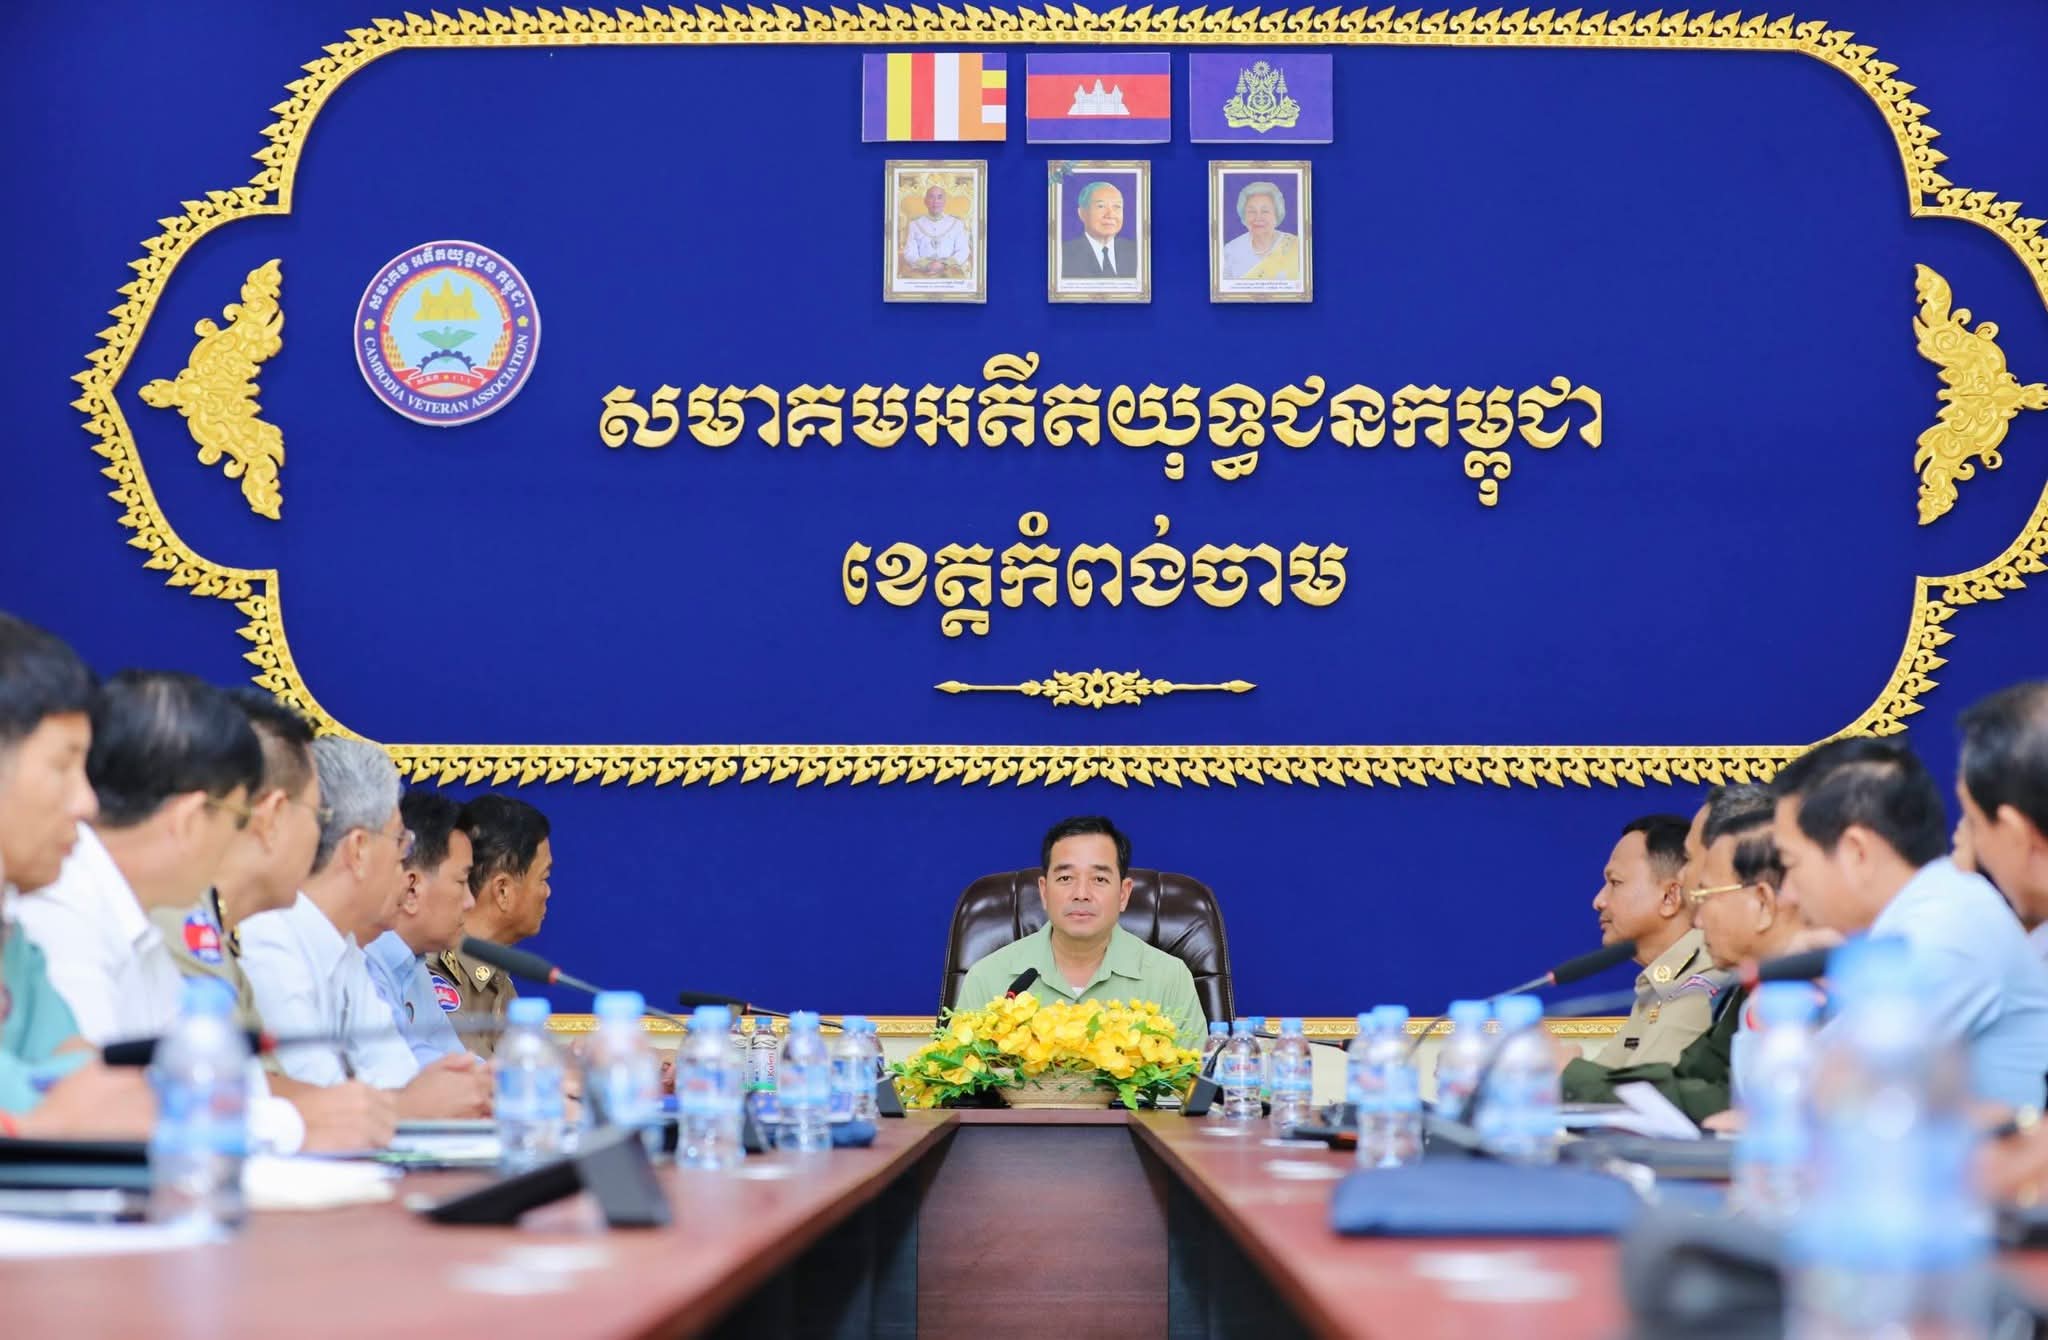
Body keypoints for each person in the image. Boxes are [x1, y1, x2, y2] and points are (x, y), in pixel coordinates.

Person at [149, 690, 397, 1151]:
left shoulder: (224, 925)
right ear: (272, 817)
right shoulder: (184, 919)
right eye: (319, 816)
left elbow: (260, 1083)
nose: (322, 838)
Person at [1772, 736, 2048, 1110]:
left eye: (1790, 865)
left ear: (1856, 852)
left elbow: (1816, 1093)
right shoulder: (1916, 921)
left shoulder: (1950, 926)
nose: (1787, 894)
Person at [238, 738, 490, 1116]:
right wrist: (409, 1106)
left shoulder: (347, 948)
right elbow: (324, 1109)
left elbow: (396, 1072)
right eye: (401, 842)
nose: (405, 864)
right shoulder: (270, 940)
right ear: (358, 850)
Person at [15, 670, 263, 1046]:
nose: (238, 839)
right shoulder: (63, 910)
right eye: (240, 818)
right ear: (190, 819)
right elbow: (92, 1079)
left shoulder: (136, 914)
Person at [0, 613, 154, 1137]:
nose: (86, 803)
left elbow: (87, 1072)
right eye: (62, 767)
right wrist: (44, 1123)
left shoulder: (15, 942)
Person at [1563, 785, 1788, 1118]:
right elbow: (1687, 1081)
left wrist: (1567, 1073)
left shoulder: (1813, 984)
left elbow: (1703, 1100)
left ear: (1763, 901)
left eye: (1704, 890)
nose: (1683, 878)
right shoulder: (1748, 985)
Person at [953, 816, 1206, 1048]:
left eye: (1099, 879)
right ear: (1044, 891)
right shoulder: (988, 978)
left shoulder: (1170, 979)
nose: (1081, 893)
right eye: (1065, 878)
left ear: (1123, 894)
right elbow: (960, 1077)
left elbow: (1196, 1081)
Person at [1579, 813, 1719, 1069]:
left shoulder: (1704, 979)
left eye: (1615, 882)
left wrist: (1562, 1064)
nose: (1599, 901)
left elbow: (1644, 1084)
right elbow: (1603, 1077)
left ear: (1670, 897)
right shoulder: (1658, 985)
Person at [433, 793, 552, 1058]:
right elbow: (473, 1071)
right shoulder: (435, 973)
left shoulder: (495, 977)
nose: (548, 892)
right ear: (502, 891)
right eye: (543, 878)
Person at [363, 789, 473, 1067]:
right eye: (462, 883)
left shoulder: (415, 965)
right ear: (412, 890)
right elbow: (403, 1067)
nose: (470, 902)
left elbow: (452, 1059)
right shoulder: (364, 958)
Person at [1219, 180, 1301, 282]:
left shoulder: (1296, 246)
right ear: (1244, 216)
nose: (1258, 217)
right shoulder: (1231, 250)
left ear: (1277, 214)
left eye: (1265, 211)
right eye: (1252, 211)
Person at [1060, 180, 1130, 278]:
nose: (1110, 214)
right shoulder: (1062, 255)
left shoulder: (1136, 251)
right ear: (1082, 213)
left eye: (1117, 206)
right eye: (1101, 206)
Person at [900, 184, 970, 278]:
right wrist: (927, 265)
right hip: (921, 272)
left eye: (939, 197)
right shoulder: (915, 224)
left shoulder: (957, 223)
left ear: (944, 201)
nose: (935, 201)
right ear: (925, 201)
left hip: (949, 272)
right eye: (931, 197)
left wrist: (944, 264)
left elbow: (963, 250)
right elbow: (909, 252)